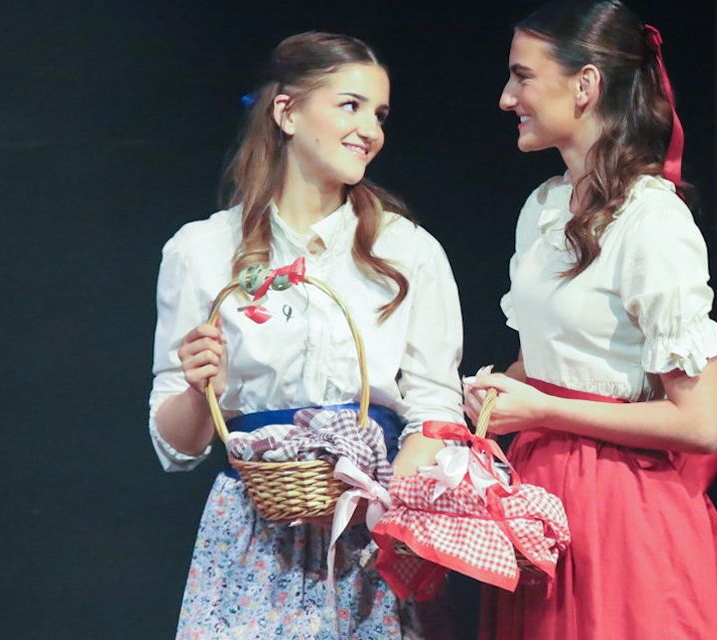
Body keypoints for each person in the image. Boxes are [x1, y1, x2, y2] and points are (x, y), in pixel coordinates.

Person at [465, 2, 717, 638]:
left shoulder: (651, 220)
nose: (506, 98)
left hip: (619, 502)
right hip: (539, 490)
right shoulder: (544, 207)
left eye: (522, 76)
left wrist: (545, 410)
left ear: (585, 85)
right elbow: (556, 358)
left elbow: (699, 423)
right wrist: (496, 393)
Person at [148, 32, 463, 639]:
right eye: (350, 106)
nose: (370, 130)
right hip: (252, 540)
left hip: (370, 540)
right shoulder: (202, 251)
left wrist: (384, 503)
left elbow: (436, 407)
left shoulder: (408, 251)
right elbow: (175, 449)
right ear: (286, 112)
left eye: (380, 114)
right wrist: (198, 390)